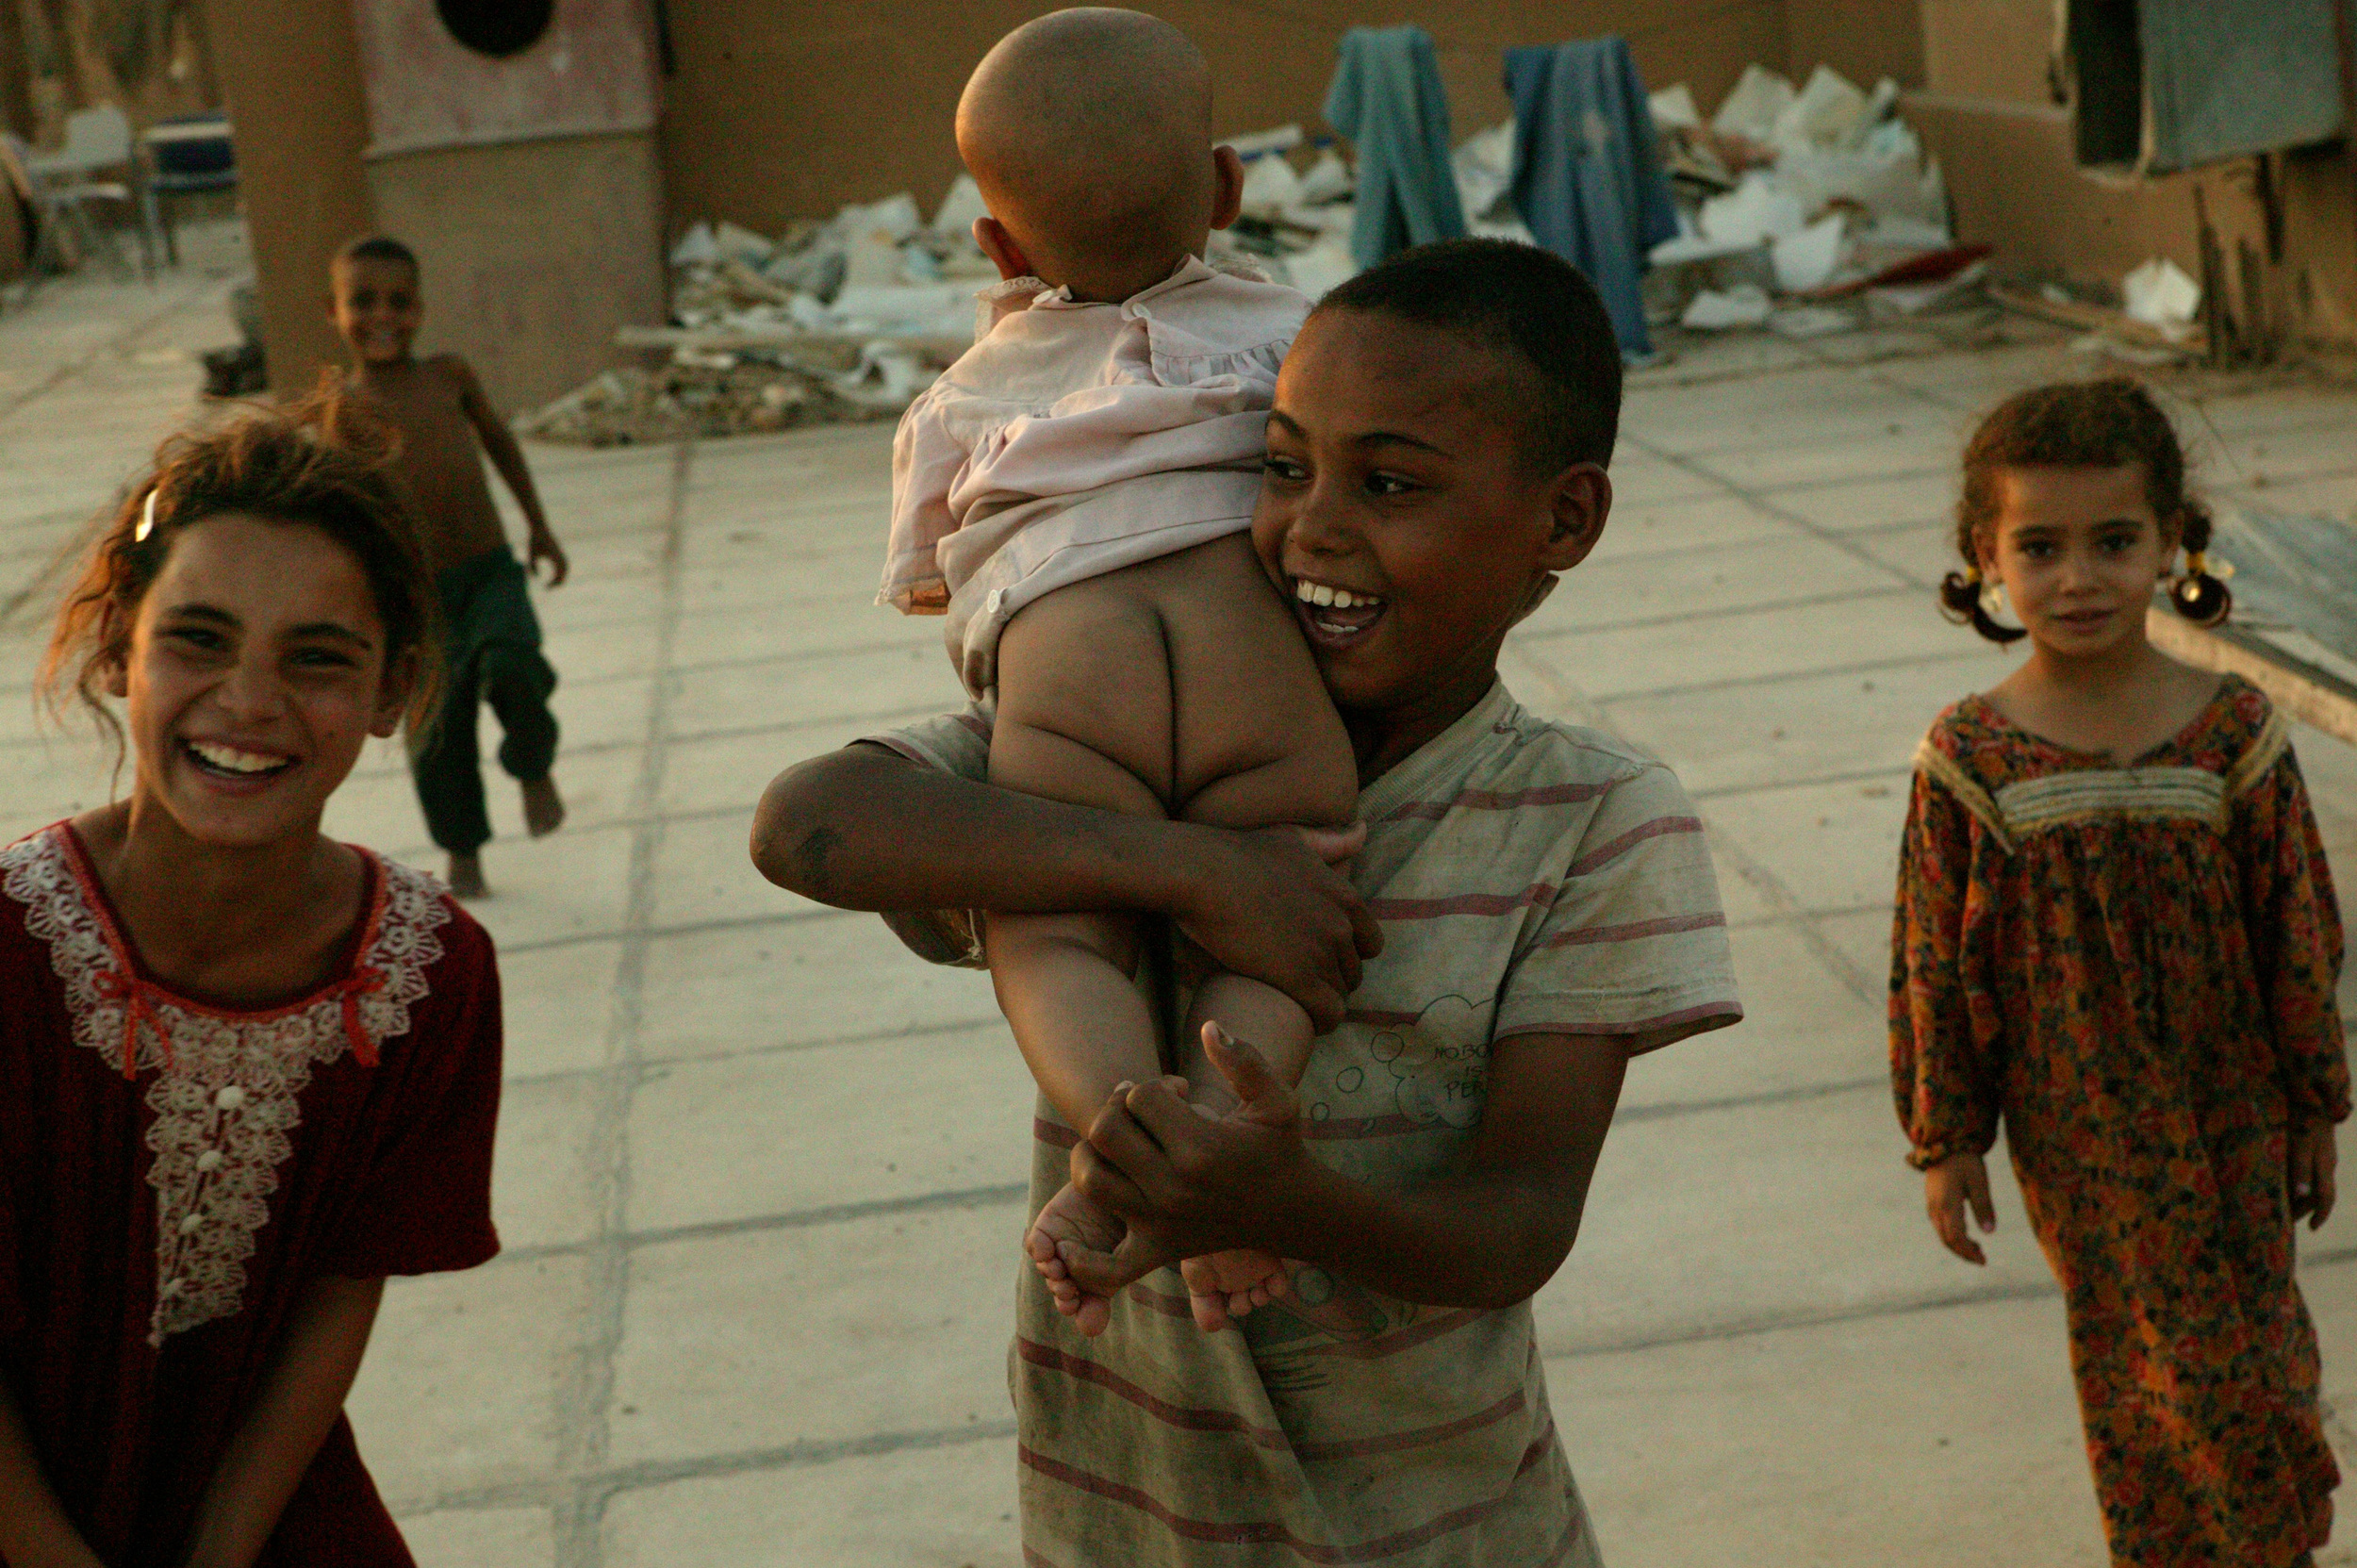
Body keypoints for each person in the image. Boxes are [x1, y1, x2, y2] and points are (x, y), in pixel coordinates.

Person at [757, 238, 1741, 1565]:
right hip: (1128, 1521)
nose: (1310, 525)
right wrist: (1196, 867)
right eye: (1281, 465)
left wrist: (1273, 1198)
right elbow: (812, 825)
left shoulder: (1594, 819)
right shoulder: (1103, 743)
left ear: (1563, 520)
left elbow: (1517, 1219)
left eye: (1389, 482)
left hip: (1443, 1529)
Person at [880, 9, 1357, 1328]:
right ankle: (1220, 1161)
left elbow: (936, 576)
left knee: (1048, 926)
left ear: (999, 244)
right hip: (1251, 660)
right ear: (1226, 188)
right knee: (1298, 907)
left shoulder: (967, 390)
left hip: (1072, 669)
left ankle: (1127, 1148)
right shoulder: (1305, 330)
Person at [0, 403, 504, 1568]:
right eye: (198, 639)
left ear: (392, 691)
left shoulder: (428, 974)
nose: (249, 700)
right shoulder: (12, 954)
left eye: (317, 658)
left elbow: (340, 1286)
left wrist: (222, 1549)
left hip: (257, 1501)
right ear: (120, 645)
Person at [1891, 376, 2348, 1566]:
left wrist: (2316, 1099)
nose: (2077, 578)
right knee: (2148, 1355)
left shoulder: (2230, 729)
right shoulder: (1970, 756)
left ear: (2171, 547)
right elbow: (1933, 962)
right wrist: (1947, 1136)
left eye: (2113, 542)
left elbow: (2296, 931)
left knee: (2254, 1333)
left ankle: (2266, 1540)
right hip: (2079, 1126)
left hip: (2233, 1106)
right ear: (1984, 558)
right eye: (2038, 547)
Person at [329, 234, 568, 900]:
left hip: (489, 570)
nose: (384, 316)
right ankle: (463, 847)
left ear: (422, 309)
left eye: (400, 302)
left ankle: (531, 763)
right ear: (333, 312)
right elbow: (346, 514)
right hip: (413, 598)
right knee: (437, 732)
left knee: (515, 664)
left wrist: (539, 527)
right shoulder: (342, 410)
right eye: (364, 302)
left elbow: (499, 444)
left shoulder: (449, 376)